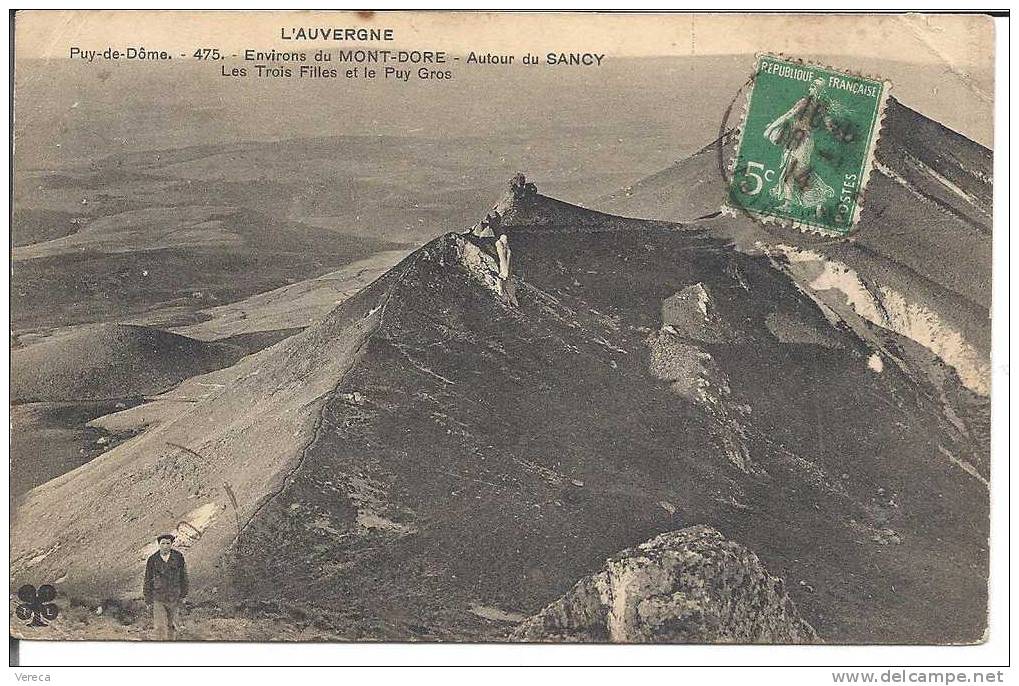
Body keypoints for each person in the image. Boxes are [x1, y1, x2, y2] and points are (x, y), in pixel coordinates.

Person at [143, 534, 188, 640]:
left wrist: (183, 595)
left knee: (173, 627)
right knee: (160, 628)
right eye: (163, 543)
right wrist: (148, 600)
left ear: (172, 544)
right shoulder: (152, 560)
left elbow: (184, 577)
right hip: (159, 598)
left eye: (168, 543)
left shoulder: (178, 557)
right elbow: (147, 580)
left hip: (174, 597)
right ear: (159, 545)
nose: (165, 546)